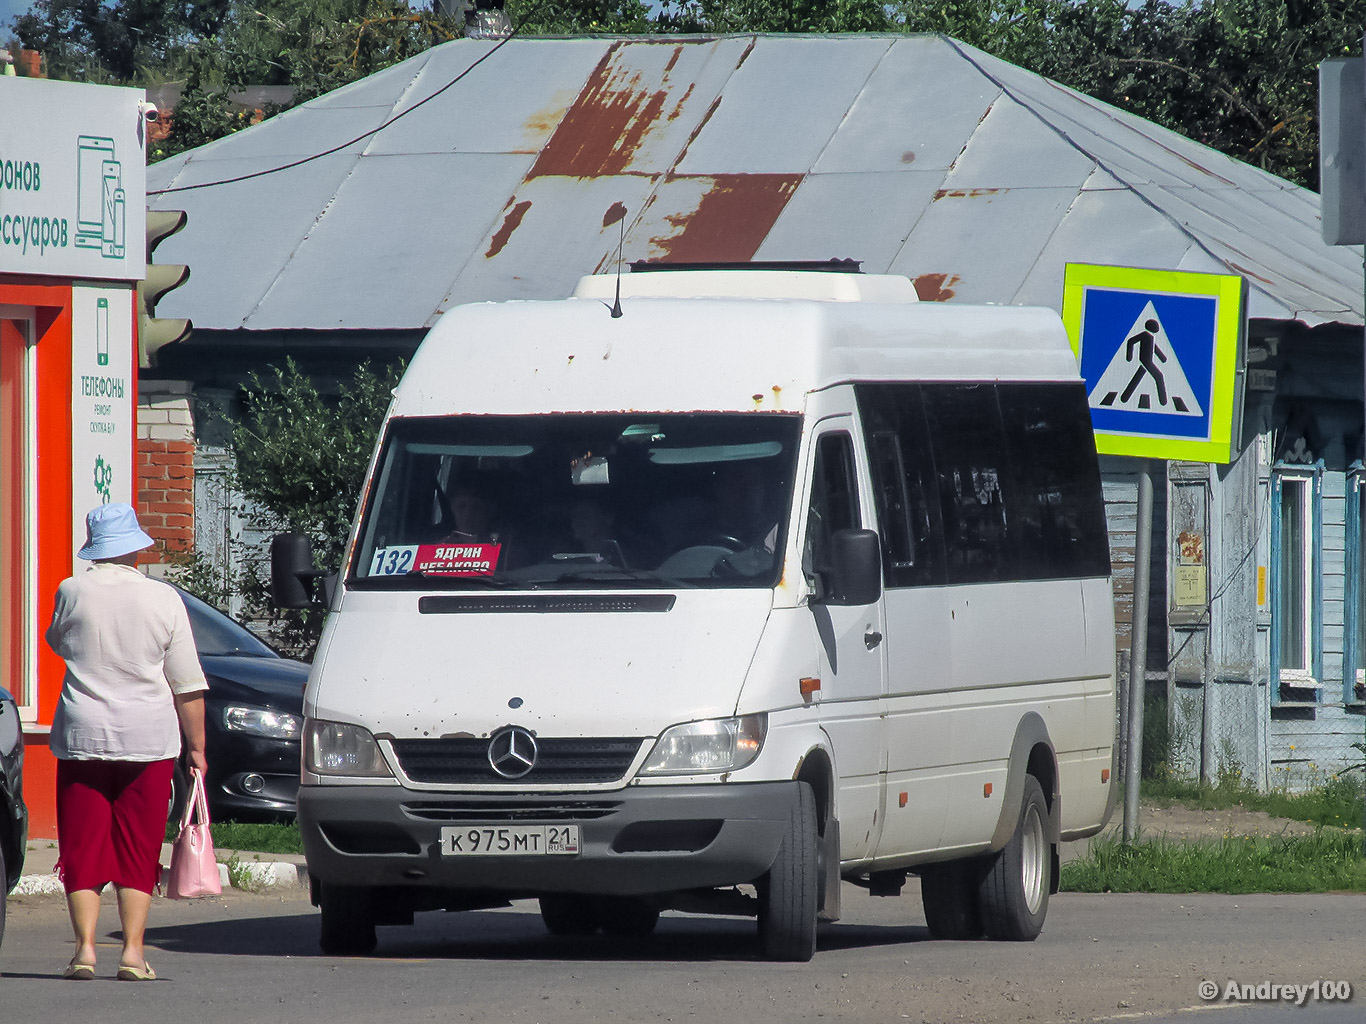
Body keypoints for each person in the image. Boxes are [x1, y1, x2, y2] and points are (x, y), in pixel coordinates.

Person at [45, 503, 208, 981]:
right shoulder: (163, 599)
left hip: (82, 736)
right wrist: (197, 748)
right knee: (138, 844)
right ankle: (133, 953)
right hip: (149, 740)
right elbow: (187, 684)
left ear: (94, 549)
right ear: (136, 548)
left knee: (82, 841)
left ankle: (84, 951)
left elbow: (58, 642)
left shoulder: (71, 591)